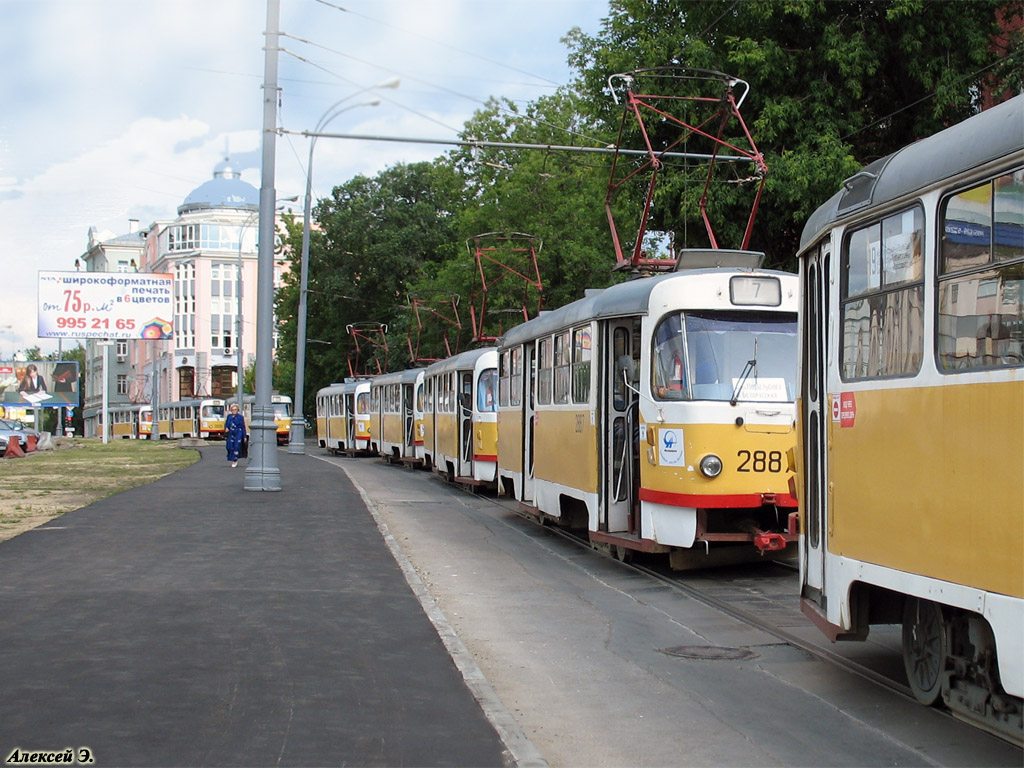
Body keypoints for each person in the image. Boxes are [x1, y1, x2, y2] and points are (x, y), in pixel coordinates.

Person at [225, 403, 247, 468]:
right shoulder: (229, 417)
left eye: (235, 409)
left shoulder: (240, 417)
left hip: (238, 433)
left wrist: (244, 436)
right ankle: (231, 457)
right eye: (233, 409)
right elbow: (227, 424)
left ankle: (235, 460)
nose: (234, 411)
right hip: (231, 433)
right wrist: (226, 428)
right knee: (229, 447)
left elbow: (243, 427)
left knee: (236, 447)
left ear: (238, 410)